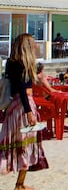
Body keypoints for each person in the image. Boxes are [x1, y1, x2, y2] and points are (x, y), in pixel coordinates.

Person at [0, 33, 49, 189]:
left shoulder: (11, 62)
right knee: (26, 144)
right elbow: (22, 88)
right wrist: (29, 112)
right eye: (33, 44)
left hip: (12, 107)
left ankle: (20, 184)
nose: (35, 46)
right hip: (23, 105)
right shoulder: (23, 64)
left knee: (12, 144)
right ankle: (19, 184)